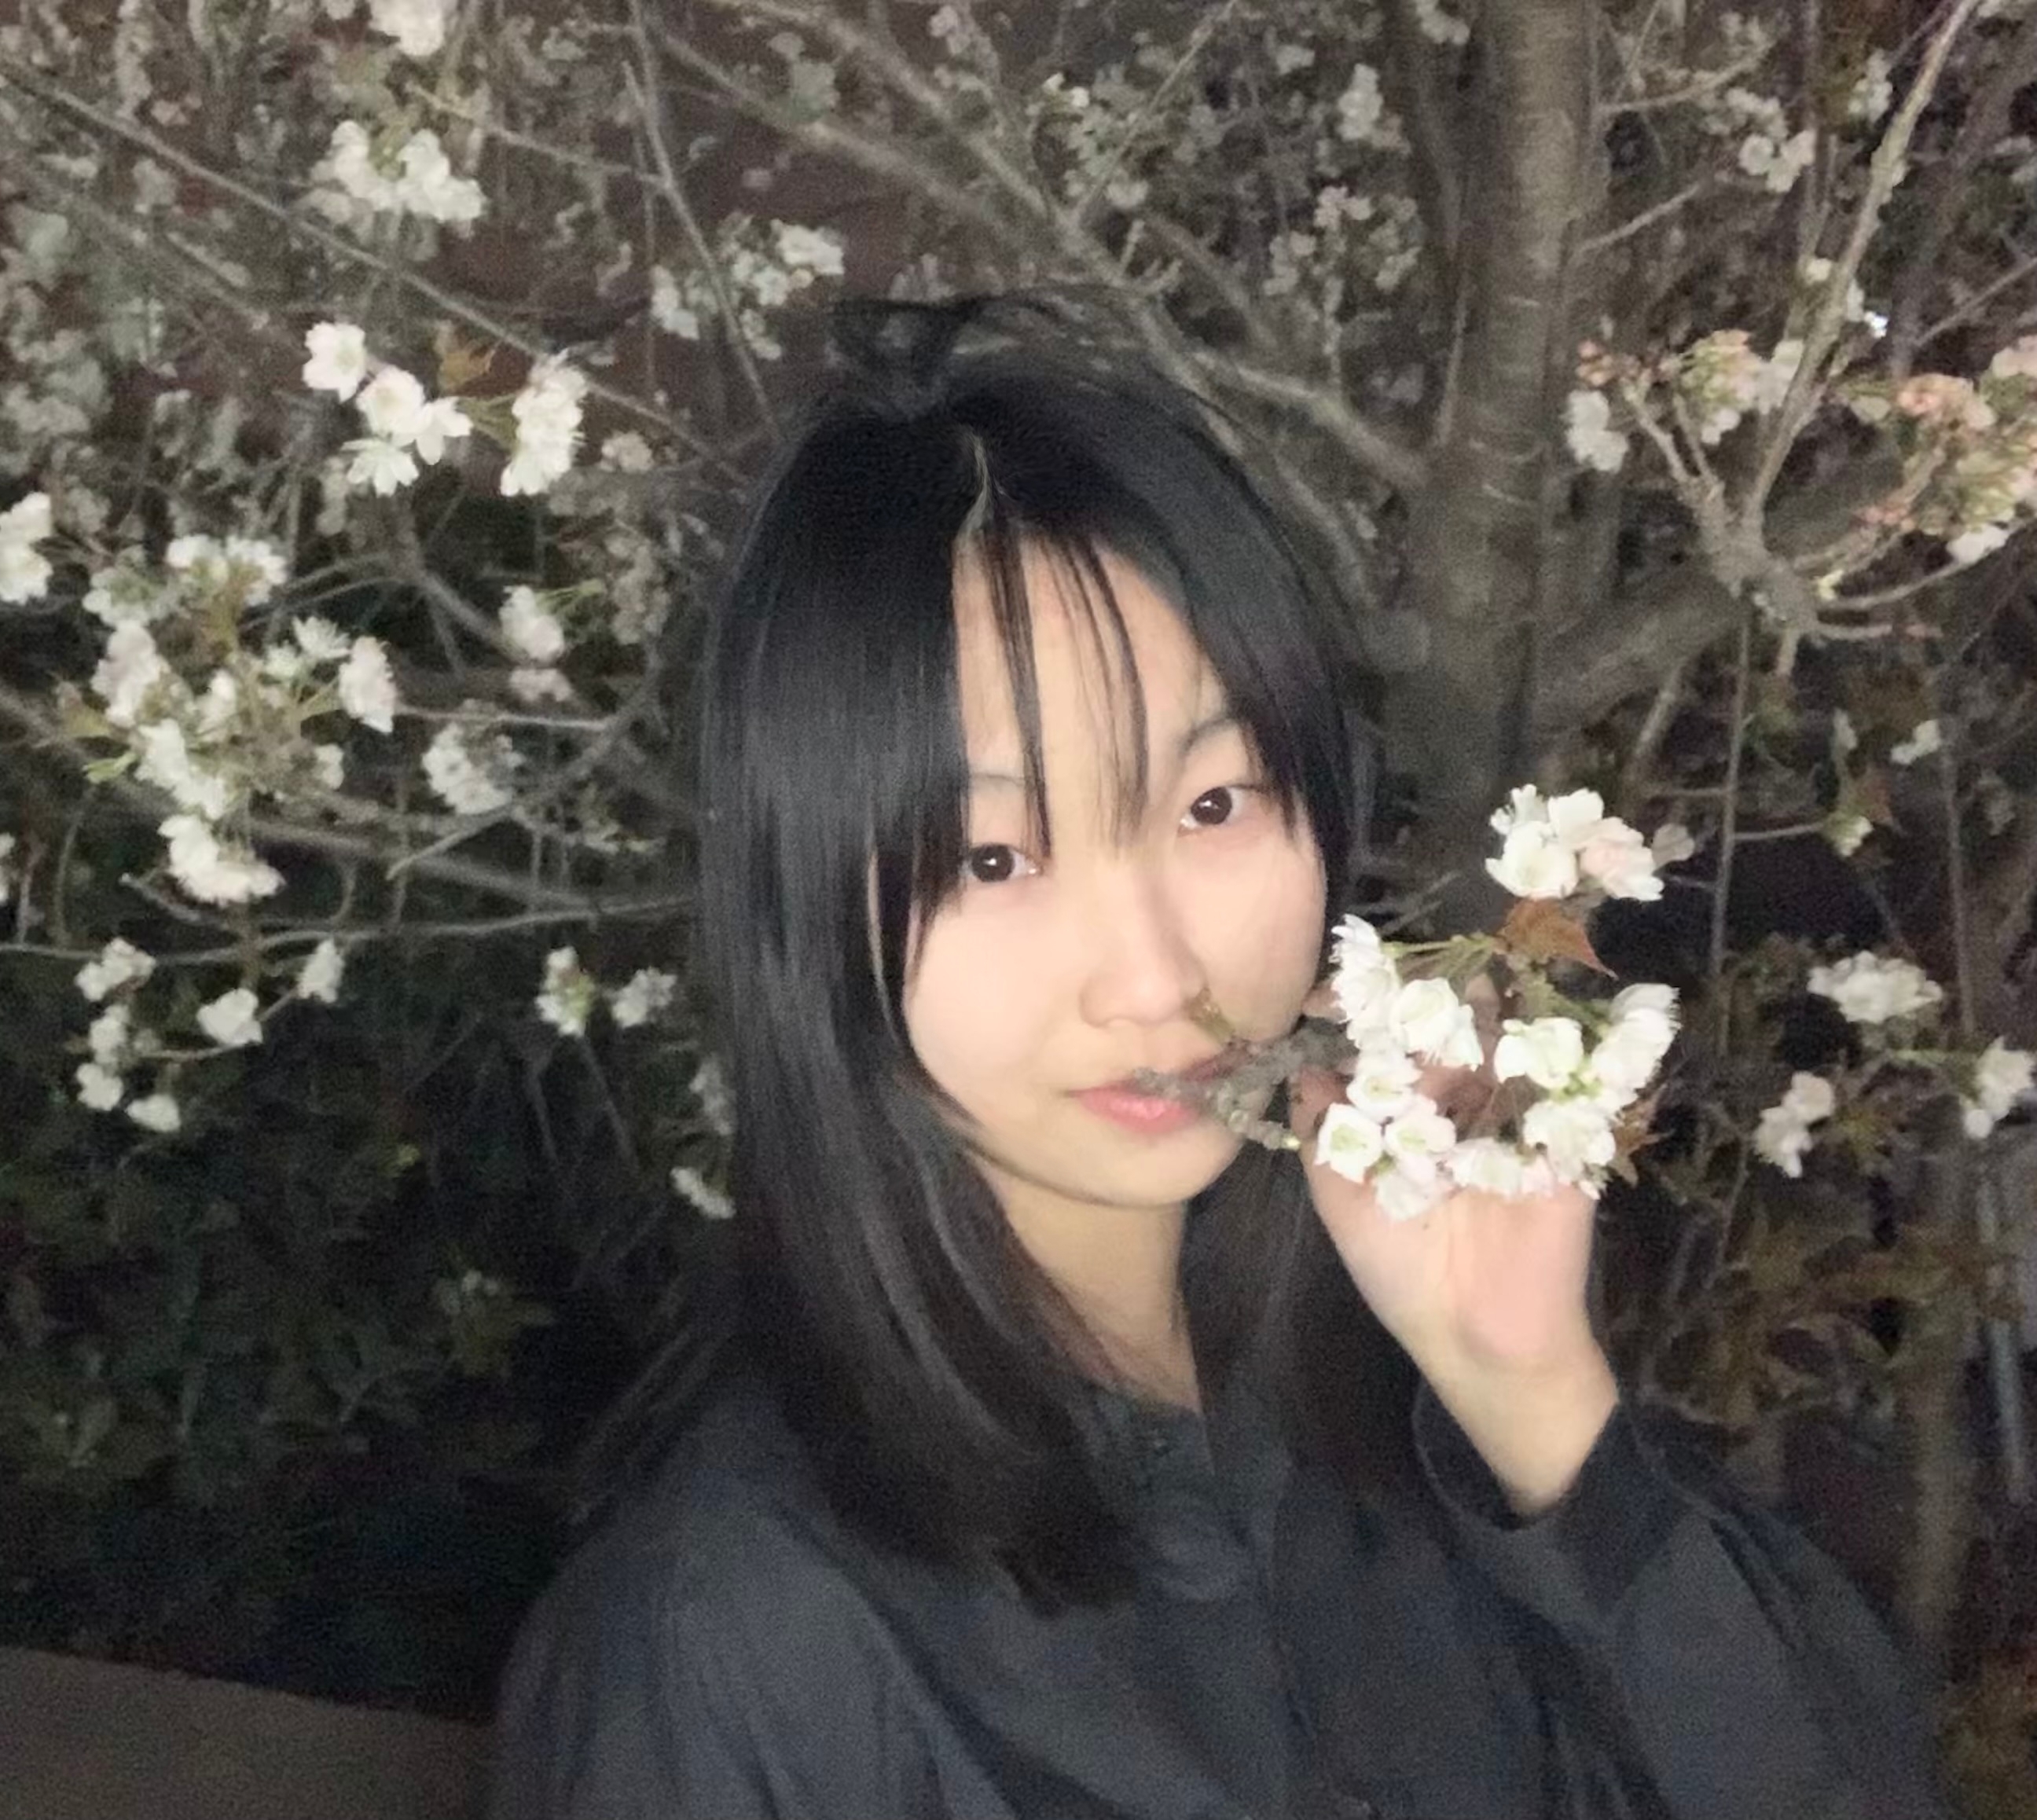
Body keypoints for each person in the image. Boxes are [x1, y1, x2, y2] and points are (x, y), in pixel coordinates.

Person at [485, 296, 1962, 1819]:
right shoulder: (733, 1649)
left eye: (1211, 806)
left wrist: (1536, 1404)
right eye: (993, 858)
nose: (1157, 978)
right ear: (817, 920)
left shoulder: (1390, 1407)